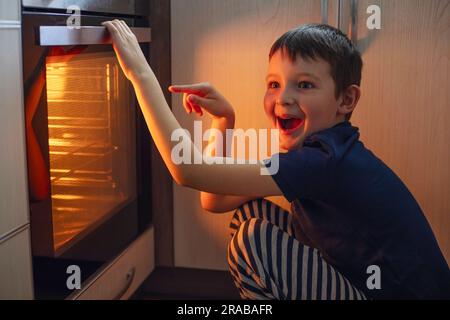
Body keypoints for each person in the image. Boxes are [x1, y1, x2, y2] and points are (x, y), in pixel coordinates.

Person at [102, 20, 450, 299]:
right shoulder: (315, 154)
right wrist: (224, 122)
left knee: (253, 241)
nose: (283, 99)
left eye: (305, 85)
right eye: (274, 84)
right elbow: (213, 199)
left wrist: (141, 74)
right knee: (251, 215)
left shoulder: (326, 162)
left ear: (346, 100)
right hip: (359, 282)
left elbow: (187, 170)